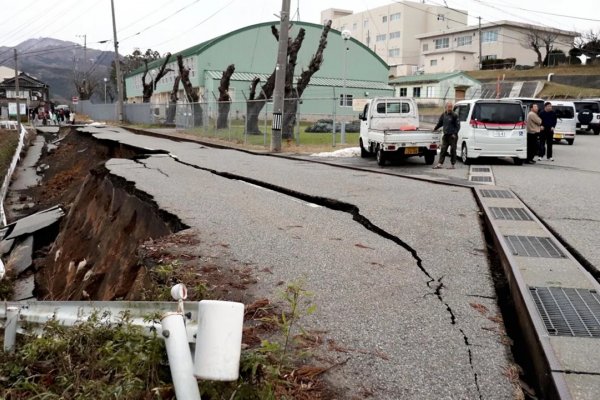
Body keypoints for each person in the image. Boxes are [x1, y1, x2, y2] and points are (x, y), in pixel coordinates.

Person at [432, 101, 460, 169]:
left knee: (453, 150)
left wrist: (454, 133)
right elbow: (440, 123)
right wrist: (435, 129)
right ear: (446, 107)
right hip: (445, 135)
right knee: (443, 150)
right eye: (449, 107)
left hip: (453, 136)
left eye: (451, 107)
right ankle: (440, 164)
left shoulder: (454, 115)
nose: (450, 108)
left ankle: (452, 164)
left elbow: (458, 126)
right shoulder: (443, 115)